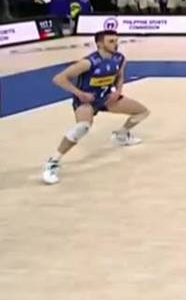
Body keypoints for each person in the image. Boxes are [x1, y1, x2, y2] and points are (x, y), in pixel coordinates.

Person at [41, 30, 151, 185]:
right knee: (83, 127)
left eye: (116, 41)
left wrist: (118, 91)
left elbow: (120, 76)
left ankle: (121, 135)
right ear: (99, 44)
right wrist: (80, 94)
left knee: (142, 112)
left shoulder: (120, 58)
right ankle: (53, 162)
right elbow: (59, 79)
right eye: (111, 41)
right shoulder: (88, 63)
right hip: (86, 101)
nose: (116, 44)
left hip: (106, 98)